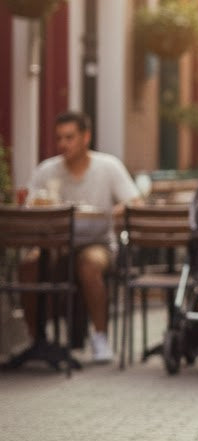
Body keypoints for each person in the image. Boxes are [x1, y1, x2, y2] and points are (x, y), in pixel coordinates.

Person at [20, 110, 141, 362]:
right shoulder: (47, 170)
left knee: (88, 264)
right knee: (29, 265)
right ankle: (36, 339)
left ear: (86, 137)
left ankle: (100, 337)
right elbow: (30, 206)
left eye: (69, 137)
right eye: (59, 138)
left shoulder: (107, 166)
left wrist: (112, 211)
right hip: (53, 244)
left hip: (97, 241)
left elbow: (134, 202)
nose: (63, 144)